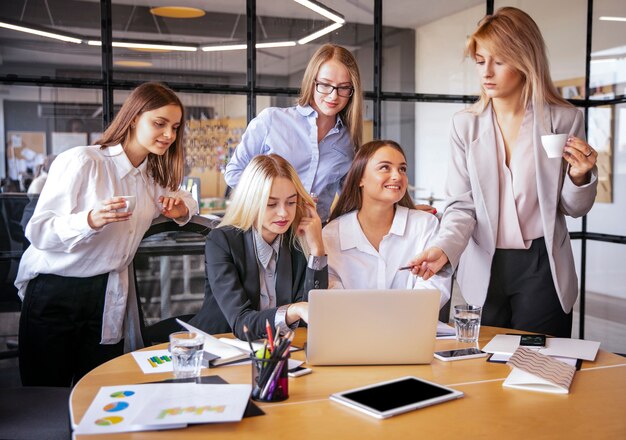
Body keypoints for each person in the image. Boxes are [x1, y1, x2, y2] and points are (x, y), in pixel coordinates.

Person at [407, 7, 598, 337]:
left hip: (543, 266)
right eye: (481, 61)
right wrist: (444, 248)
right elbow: (461, 207)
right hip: (484, 262)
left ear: (525, 60)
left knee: (540, 366)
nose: (486, 72)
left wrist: (579, 177)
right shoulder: (465, 126)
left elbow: (573, 208)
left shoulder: (564, 119)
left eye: (499, 60)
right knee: (483, 368)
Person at [15, 82, 198, 386]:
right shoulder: (84, 161)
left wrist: (182, 209)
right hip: (56, 290)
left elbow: (188, 201)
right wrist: (89, 220)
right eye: (160, 123)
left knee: (101, 388)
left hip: (108, 293)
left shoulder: (152, 177)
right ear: (134, 117)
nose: (169, 135)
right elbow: (39, 231)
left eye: (175, 127)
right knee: (45, 396)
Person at [189, 154, 328, 340]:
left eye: (291, 202)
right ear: (251, 202)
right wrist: (294, 310)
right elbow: (241, 323)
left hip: (276, 352)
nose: (283, 213)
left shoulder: (297, 241)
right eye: (271, 204)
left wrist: (317, 249)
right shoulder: (221, 241)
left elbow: (311, 317)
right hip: (220, 349)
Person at [224, 44, 363, 222]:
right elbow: (234, 173)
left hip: (315, 234)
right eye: (325, 85)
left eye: (343, 87)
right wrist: (280, 199)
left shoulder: (348, 141)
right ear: (311, 82)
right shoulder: (272, 120)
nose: (333, 96)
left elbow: (350, 198)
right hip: (267, 230)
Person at [323, 140, 450, 308]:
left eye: (402, 169)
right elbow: (332, 297)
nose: (397, 176)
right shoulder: (332, 234)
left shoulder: (425, 225)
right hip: (353, 331)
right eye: (385, 167)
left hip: (411, 330)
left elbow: (433, 289)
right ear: (360, 177)